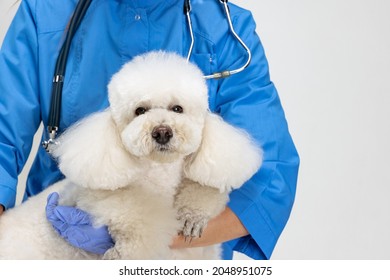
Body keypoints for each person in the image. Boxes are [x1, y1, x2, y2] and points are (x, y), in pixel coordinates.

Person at [0, 0, 299, 260]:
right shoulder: (44, 12)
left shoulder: (227, 29)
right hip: (57, 244)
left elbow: (270, 178)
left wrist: (144, 242)